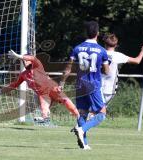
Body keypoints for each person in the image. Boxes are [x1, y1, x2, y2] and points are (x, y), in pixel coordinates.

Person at [60, 21, 110, 150]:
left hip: (80, 84)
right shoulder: (102, 51)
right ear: (98, 33)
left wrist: (61, 83)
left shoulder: (77, 48)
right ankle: (82, 129)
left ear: (85, 33)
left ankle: (84, 144)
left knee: (82, 113)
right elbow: (106, 71)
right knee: (102, 113)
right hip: (93, 85)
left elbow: (67, 69)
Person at [1, 50, 81, 124]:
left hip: (52, 88)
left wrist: (18, 56)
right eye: (23, 61)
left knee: (65, 100)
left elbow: (33, 58)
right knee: (44, 110)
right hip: (43, 94)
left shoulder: (37, 65)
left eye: (26, 60)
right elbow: (14, 84)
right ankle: (45, 118)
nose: (24, 62)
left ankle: (79, 116)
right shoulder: (23, 74)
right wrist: (1, 91)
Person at [102, 33, 143, 104]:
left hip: (96, 88)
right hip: (109, 89)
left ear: (104, 44)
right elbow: (137, 61)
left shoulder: (99, 53)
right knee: (100, 111)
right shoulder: (118, 56)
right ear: (116, 45)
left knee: (96, 110)